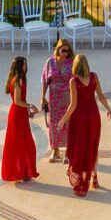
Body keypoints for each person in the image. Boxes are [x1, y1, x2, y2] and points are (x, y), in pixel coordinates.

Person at [64, 52, 111, 197]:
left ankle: (80, 179)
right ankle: (94, 177)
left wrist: (63, 119)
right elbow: (101, 95)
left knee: (80, 147)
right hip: (93, 116)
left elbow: (73, 105)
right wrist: (108, 108)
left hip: (79, 118)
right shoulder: (94, 77)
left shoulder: (73, 82)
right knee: (93, 146)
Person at [0, 56, 40, 184]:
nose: (26, 67)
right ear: (19, 66)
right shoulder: (19, 80)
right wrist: (30, 106)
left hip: (18, 114)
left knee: (20, 143)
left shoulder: (15, 79)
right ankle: (22, 172)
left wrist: (26, 109)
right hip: (17, 115)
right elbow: (17, 101)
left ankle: (22, 172)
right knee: (23, 143)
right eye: (24, 65)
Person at [41, 36, 76, 164]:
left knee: (68, 123)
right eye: (63, 51)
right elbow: (45, 80)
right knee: (53, 123)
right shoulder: (50, 62)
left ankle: (68, 151)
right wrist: (42, 97)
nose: (66, 53)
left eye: (68, 51)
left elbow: (76, 80)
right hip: (53, 97)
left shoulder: (71, 62)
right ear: (58, 50)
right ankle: (55, 150)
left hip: (67, 96)